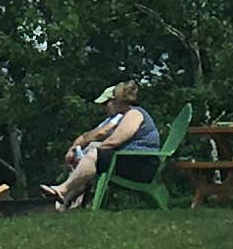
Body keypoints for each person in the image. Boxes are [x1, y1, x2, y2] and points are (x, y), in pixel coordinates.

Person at [45, 80, 161, 208]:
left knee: (94, 155)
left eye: (107, 103)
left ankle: (63, 192)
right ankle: (67, 199)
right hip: (130, 160)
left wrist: (89, 152)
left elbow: (114, 141)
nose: (104, 107)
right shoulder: (125, 115)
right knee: (93, 153)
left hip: (141, 164)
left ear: (117, 101)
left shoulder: (134, 114)